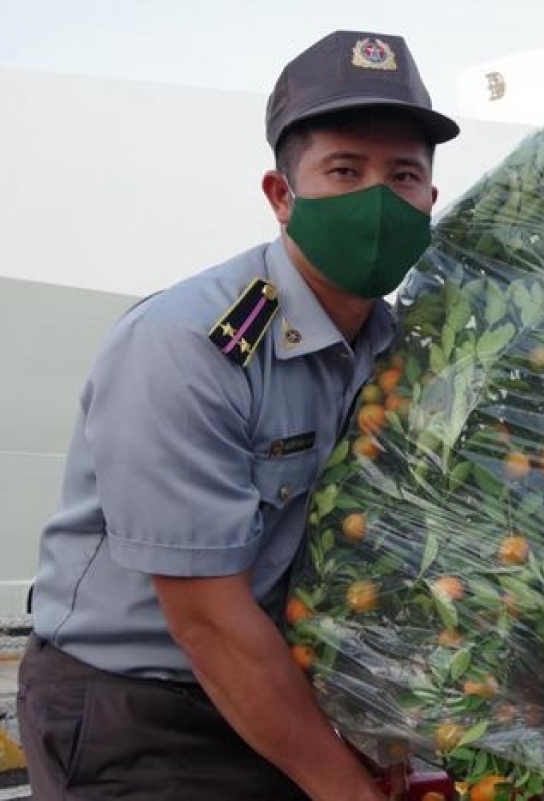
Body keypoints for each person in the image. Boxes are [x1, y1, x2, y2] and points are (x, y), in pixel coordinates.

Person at [16, 30, 458, 800]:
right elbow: (207, 618)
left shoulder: (397, 352)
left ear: (431, 200)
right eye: (345, 170)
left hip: (272, 697)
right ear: (282, 196)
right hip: (138, 709)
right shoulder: (190, 345)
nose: (378, 201)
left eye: (404, 176)